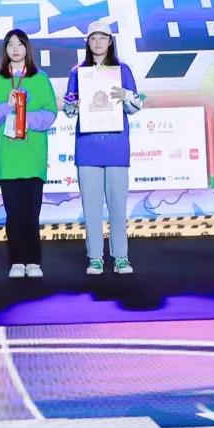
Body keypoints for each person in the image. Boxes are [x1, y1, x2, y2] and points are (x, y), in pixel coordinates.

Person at [62, 19, 143, 276]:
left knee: (118, 207)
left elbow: (136, 106)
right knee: (92, 208)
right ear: (87, 42)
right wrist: (72, 104)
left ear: (110, 42)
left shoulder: (122, 70)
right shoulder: (78, 72)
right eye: (93, 38)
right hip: (87, 148)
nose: (98, 42)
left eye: (102, 38)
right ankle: (95, 257)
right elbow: (68, 109)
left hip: (116, 146)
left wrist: (126, 96)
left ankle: (121, 256)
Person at [0, 30, 57, 279]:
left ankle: (33, 260)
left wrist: (24, 118)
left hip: (33, 157)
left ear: (27, 48)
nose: (15, 49)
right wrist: (8, 107)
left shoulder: (40, 78)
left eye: (20, 44)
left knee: (31, 213)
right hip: (8, 158)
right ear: (5, 50)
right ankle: (16, 260)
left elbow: (50, 114)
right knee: (13, 213)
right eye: (10, 44)